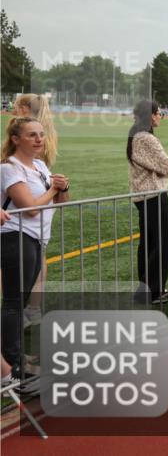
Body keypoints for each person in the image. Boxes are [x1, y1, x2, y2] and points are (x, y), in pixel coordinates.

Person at [1, 117, 69, 388]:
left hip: (36, 239)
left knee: (19, 300)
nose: (39, 139)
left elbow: (60, 203)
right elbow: (29, 207)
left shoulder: (40, 165)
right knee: (14, 302)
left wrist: (62, 189)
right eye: (31, 135)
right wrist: (53, 188)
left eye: (41, 134)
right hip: (16, 237)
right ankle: (13, 363)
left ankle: (14, 357)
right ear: (16, 139)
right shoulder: (9, 168)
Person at [13, 94, 59, 322]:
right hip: (42, 200)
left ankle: (19, 312)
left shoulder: (25, 135)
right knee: (39, 259)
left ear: (24, 108)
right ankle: (33, 309)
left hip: (31, 199)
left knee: (19, 265)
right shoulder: (46, 131)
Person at [127, 101, 168, 304]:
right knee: (162, 244)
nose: (160, 117)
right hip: (153, 194)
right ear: (151, 115)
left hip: (143, 195)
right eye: (159, 114)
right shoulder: (146, 138)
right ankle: (154, 290)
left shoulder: (134, 135)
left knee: (148, 244)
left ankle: (146, 288)